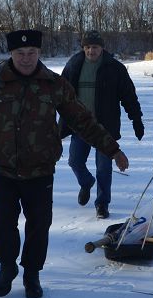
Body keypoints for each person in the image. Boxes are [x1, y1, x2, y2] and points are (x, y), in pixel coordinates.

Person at [0, 29, 129, 298]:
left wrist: (113, 150)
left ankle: (32, 274)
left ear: (39, 53)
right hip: (2, 169)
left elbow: (83, 121)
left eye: (31, 53)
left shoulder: (53, 84)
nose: (26, 58)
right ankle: (7, 266)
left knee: (38, 225)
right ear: (11, 53)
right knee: (0, 224)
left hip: (40, 170)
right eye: (20, 53)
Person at [60, 30, 144, 220]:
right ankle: (86, 182)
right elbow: (61, 95)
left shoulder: (114, 68)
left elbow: (129, 96)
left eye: (95, 47)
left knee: (104, 168)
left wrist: (136, 119)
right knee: (75, 161)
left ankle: (102, 203)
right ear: (83, 48)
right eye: (88, 47)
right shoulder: (74, 65)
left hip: (106, 127)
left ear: (102, 48)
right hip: (80, 126)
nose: (91, 51)